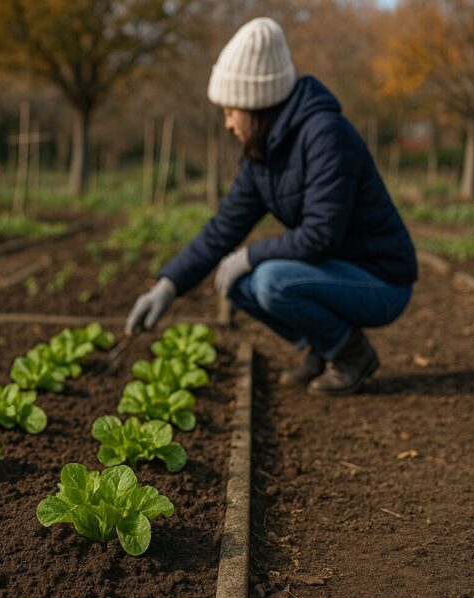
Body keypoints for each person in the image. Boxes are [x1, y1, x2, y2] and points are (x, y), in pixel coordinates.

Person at [125, 17, 417, 395]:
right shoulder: (262, 156)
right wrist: (167, 285)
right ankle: (320, 347)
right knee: (236, 283)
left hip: (380, 280)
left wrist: (250, 255)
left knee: (268, 280)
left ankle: (352, 354)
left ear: (255, 104)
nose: (228, 123)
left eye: (231, 112)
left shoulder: (326, 135)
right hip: (334, 274)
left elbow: (321, 235)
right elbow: (221, 229)